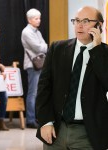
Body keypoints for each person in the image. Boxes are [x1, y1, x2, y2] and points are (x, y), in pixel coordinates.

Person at [35, 6, 108, 150]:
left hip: (88, 133)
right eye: (76, 20)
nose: (79, 25)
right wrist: (45, 122)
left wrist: (96, 50)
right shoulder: (57, 48)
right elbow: (44, 87)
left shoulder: (104, 53)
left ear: (99, 25)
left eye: (86, 21)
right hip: (56, 129)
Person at [21, 8, 48, 128]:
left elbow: (43, 45)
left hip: (39, 64)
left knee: (37, 93)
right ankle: (30, 120)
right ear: (29, 19)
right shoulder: (27, 32)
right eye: (36, 18)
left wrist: (43, 46)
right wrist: (44, 46)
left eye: (39, 18)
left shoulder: (36, 31)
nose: (39, 21)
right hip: (32, 65)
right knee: (32, 93)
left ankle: (35, 117)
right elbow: (39, 47)